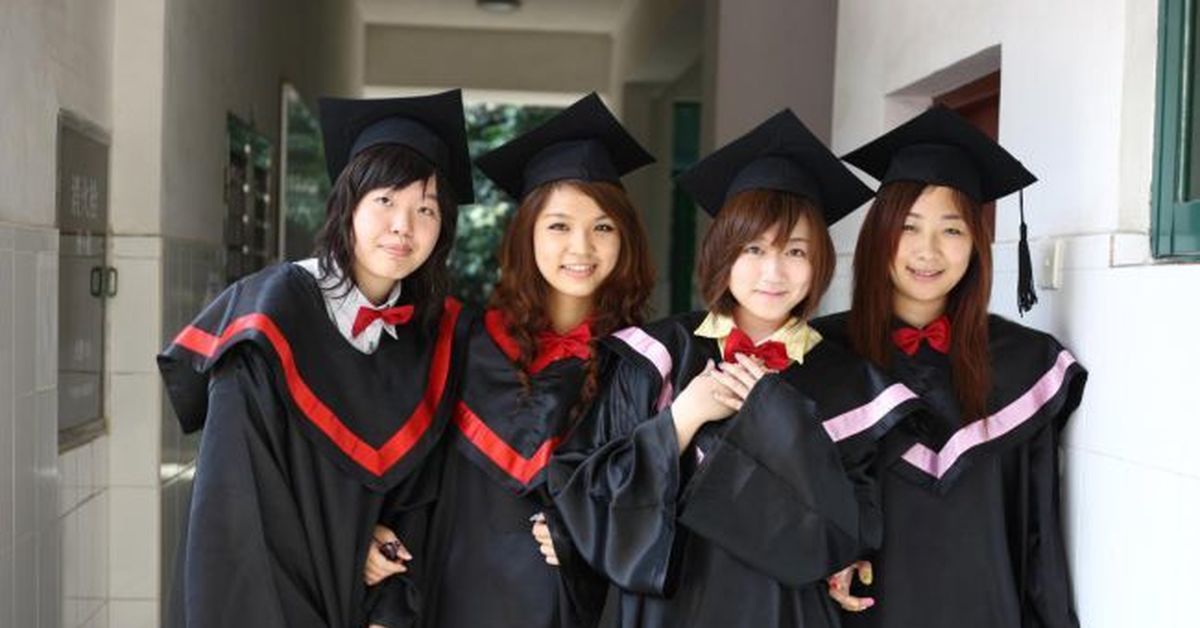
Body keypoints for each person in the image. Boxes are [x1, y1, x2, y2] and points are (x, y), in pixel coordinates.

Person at [547, 110, 920, 628]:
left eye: (795, 251)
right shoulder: (657, 355)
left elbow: (852, 528)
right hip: (668, 611)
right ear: (722, 253)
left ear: (819, 262)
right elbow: (585, 491)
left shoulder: (849, 381)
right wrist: (681, 420)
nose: (773, 272)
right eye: (753, 248)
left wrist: (779, 418)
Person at [157, 90, 474, 628]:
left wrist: (387, 598)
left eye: (426, 209)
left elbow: (418, 502)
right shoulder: (268, 318)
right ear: (347, 204)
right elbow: (238, 509)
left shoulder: (426, 339)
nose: (404, 225)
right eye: (385, 200)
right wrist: (347, 549)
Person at [364, 92, 657, 628]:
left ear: (625, 239)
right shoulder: (461, 340)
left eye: (603, 227)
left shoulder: (641, 366)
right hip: (452, 600)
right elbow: (412, 480)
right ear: (527, 234)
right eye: (559, 225)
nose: (582, 248)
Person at [815, 105, 1088, 628]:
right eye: (909, 227)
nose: (928, 251)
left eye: (952, 230)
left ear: (976, 245)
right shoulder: (822, 357)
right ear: (879, 236)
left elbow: (1040, 536)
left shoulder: (1025, 363)